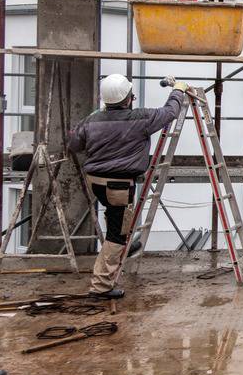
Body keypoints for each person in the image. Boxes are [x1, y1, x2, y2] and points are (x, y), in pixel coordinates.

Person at [67, 73, 188, 298]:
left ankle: (120, 247)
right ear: (128, 99)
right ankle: (101, 286)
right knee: (117, 233)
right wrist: (178, 90)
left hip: (95, 181)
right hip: (118, 185)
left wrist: (90, 120)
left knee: (114, 217)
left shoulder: (92, 120)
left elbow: (73, 143)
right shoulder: (139, 118)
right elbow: (170, 112)